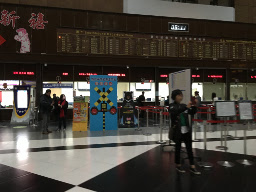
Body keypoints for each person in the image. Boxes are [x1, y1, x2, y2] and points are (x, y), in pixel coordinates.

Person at [169, 89, 201, 175]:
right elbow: (176, 111)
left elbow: (192, 112)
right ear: (175, 96)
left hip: (186, 129)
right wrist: (186, 107)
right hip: (177, 130)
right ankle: (178, 165)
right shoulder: (172, 106)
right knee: (178, 148)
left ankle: (192, 166)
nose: (181, 96)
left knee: (189, 148)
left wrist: (194, 105)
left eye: (181, 95)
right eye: (179, 95)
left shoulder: (183, 105)